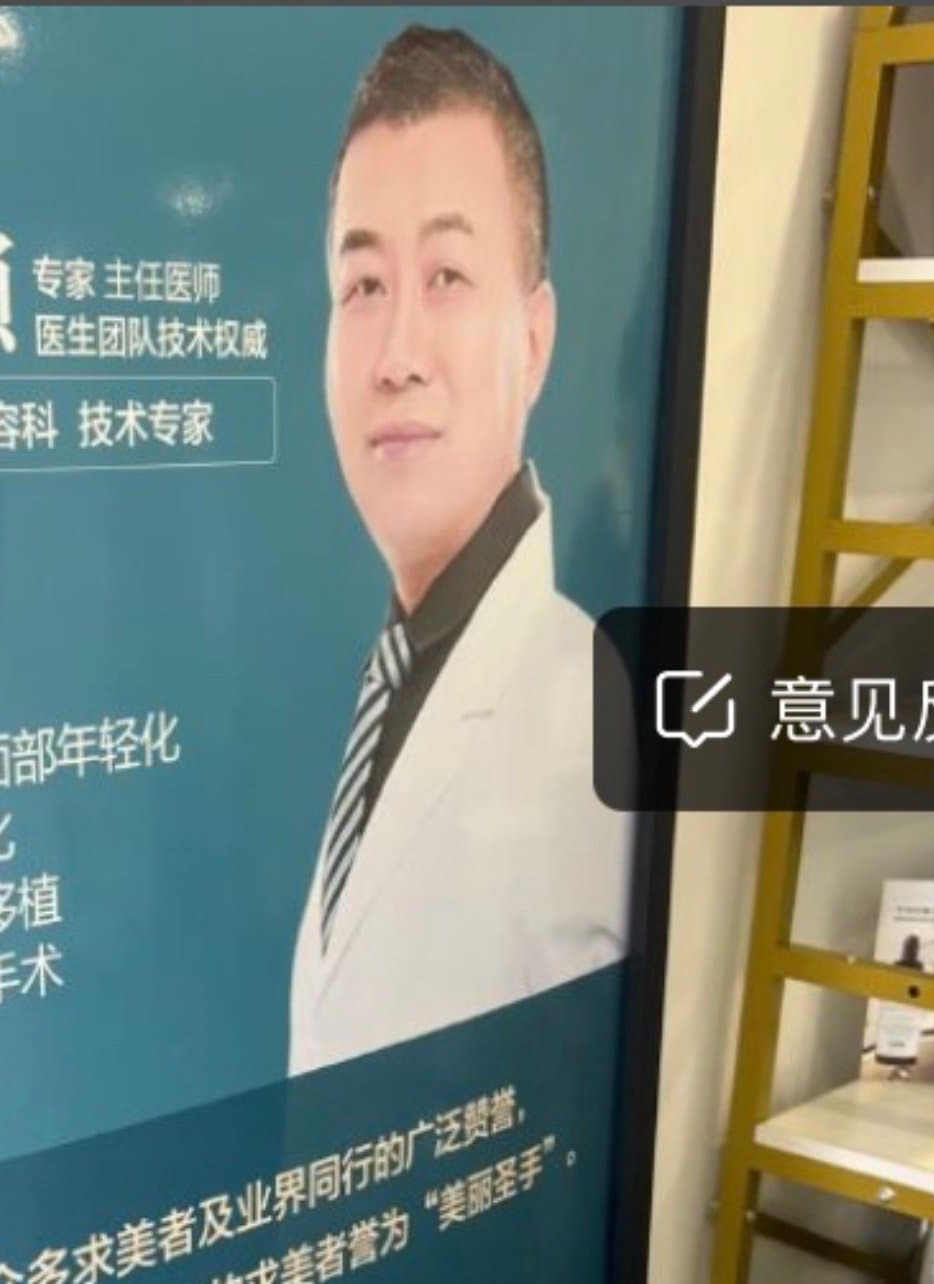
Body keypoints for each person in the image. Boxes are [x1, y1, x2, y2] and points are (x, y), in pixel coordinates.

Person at [288, 25, 633, 1076]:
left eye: (445, 275)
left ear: (532, 340)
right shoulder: (398, 669)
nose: (396, 357)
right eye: (363, 287)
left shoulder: (595, 718)